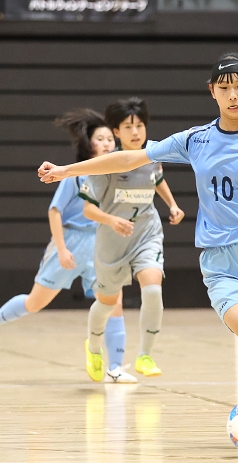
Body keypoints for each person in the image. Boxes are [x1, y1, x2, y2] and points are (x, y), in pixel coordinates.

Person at [38, 53, 238, 454]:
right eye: (223, 87)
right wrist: (69, 170)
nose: (232, 94)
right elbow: (132, 157)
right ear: (212, 92)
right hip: (221, 262)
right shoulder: (195, 139)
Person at [0, 109, 134, 383]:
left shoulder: (114, 176)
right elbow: (54, 211)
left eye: (111, 139)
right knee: (34, 303)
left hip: (100, 243)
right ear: (89, 144)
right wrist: (61, 249)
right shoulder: (74, 176)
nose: (108, 143)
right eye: (101, 139)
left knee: (115, 302)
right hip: (72, 242)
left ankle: (116, 368)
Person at [78, 98, 185, 383]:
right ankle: (93, 347)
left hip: (146, 234)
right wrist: (111, 220)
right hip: (112, 242)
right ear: (116, 132)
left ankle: (145, 355)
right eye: (129, 127)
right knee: (106, 303)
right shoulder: (107, 165)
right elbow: (87, 208)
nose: (136, 132)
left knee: (152, 289)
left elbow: (156, 179)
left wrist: (172, 204)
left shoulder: (151, 156)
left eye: (140, 126)